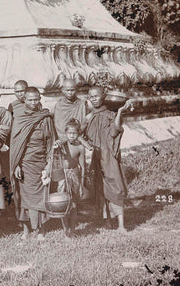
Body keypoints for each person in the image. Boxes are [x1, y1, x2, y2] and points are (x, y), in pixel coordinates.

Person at [10, 87, 57, 240]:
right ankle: (25, 230)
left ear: (39, 99)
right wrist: (16, 164)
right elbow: (16, 145)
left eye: (36, 99)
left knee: (41, 196)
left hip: (41, 162)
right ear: (24, 100)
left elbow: (50, 142)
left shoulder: (46, 118)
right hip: (24, 164)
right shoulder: (19, 118)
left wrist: (49, 163)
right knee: (25, 197)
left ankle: (41, 230)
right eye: (30, 99)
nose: (33, 102)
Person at [83, 86, 133, 233]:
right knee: (100, 188)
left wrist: (120, 112)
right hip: (97, 157)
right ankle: (108, 222)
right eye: (91, 97)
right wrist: (86, 144)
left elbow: (115, 130)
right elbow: (76, 132)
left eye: (96, 96)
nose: (93, 99)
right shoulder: (88, 117)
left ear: (103, 96)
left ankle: (121, 225)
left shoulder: (111, 114)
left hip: (109, 157)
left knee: (116, 187)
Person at [53, 119, 86, 237]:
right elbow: (55, 155)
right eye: (69, 133)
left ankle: (72, 230)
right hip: (63, 177)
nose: (72, 135)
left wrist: (81, 185)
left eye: (74, 133)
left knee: (74, 205)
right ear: (65, 133)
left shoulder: (80, 148)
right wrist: (57, 145)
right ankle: (65, 230)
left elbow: (83, 167)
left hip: (75, 176)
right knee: (63, 203)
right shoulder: (62, 145)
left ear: (78, 134)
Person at [53, 78, 92, 150]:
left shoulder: (82, 104)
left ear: (76, 90)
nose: (70, 93)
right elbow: (58, 127)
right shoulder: (59, 106)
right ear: (62, 90)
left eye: (72, 90)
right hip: (64, 142)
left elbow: (86, 123)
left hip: (79, 141)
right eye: (67, 90)